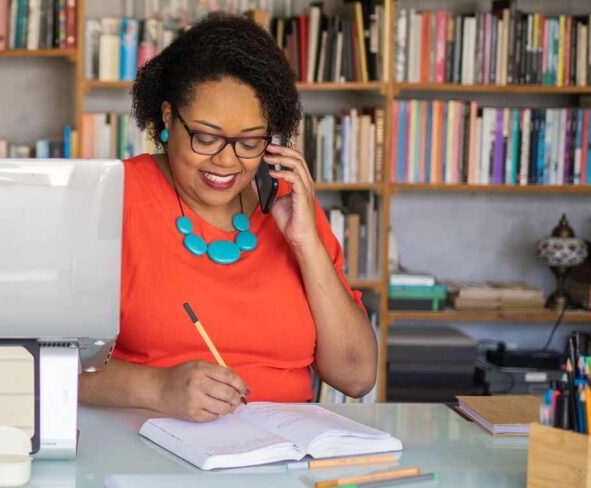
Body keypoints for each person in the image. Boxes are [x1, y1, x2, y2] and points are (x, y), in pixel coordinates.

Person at [79, 14, 377, 422]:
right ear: (167, 118)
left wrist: (307, 246)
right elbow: (45, 367)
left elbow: (357, 376)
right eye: (206, 136)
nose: (226, 160)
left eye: (250, 142)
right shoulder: (114, 196)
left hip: (281, 454)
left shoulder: (289, 206)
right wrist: (156, 387)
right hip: (147, 448)